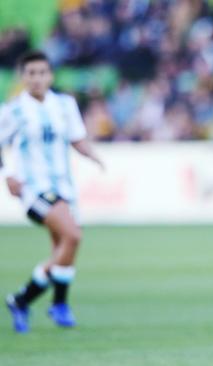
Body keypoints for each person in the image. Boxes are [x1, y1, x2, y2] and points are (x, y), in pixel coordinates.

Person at [0, 51, 104, 333]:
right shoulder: (13, 110)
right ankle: (56, 303)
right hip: (34, 188)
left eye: (42, 73)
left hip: (63, 187)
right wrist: (8, 175)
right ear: (22, 77)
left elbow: (77, 139)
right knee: (73, 235)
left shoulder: (65, 104)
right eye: (30, 73)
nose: (36, 78)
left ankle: (22, 301)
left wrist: (93, 156)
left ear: (50, 76)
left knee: (64, 247)